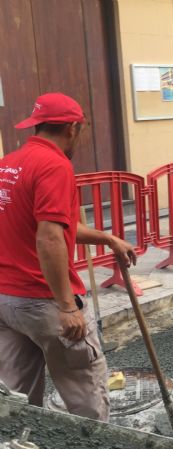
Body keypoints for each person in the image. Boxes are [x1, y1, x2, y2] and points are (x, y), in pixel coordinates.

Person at [0, 93, 137, 421]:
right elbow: (49, 237)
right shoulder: (54, 165)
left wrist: (106, 238)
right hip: (42, 300)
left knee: (16, 397)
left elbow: (59, 227)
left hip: (6, 300)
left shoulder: (8, 165)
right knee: (85, 394)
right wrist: (65, 305)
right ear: (73, 128)